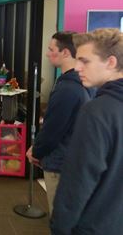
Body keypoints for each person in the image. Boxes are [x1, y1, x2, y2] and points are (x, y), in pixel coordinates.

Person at [51, 28, 123, 235]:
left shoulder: (97, 112)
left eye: (85, 61)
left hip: (92, 224)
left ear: (111, 62)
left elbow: (78, 181)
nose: (77, 67)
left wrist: (60, 227)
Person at [25, 31, 92, 215]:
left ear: (66, 53)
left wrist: (36, 151)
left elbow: (53, 130)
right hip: (72, 159)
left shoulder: (68, 88)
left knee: (60, 218)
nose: (47, 54)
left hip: (60, 163)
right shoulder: (81, 83)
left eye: (51, 49)